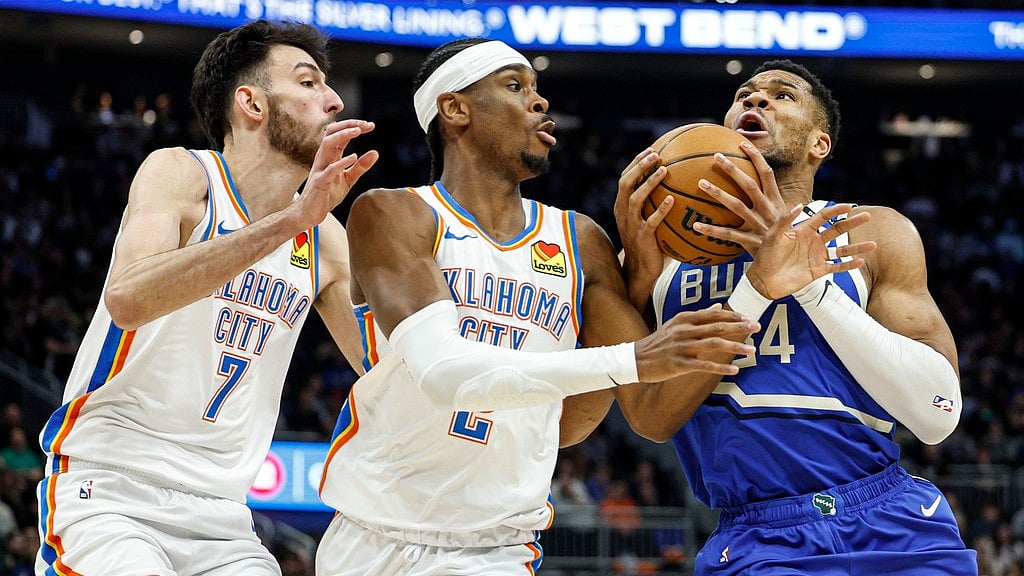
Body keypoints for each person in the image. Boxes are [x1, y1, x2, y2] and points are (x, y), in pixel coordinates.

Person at [314, 40, 868, 575]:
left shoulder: (580, 239)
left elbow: (591, 420)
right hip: (370, 532)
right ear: (455, 110)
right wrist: (632, 358)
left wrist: (638, 284)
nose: (540, 102)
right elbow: (445, 376)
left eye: (537, 88)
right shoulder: (394, 213)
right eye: (515, 87)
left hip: (497, 545)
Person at [35, 20, 378, 575]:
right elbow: (128, 297)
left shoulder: (326, 238)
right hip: (109, 490)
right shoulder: (182, 173)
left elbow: (384, 368)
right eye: (309, 82)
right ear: (251, 102)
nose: (334, 99)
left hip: (224, 517)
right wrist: (291, 219)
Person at [616, 59, 977, 574]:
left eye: (782, 96)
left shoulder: (871, 231)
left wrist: (810, 288)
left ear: (819, 145)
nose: (755, 100)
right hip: (758, 536)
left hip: (891, 518)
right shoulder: (657, 257)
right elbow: (651, 417)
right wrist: (750, 288)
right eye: (744, 94)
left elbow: (937, 415)